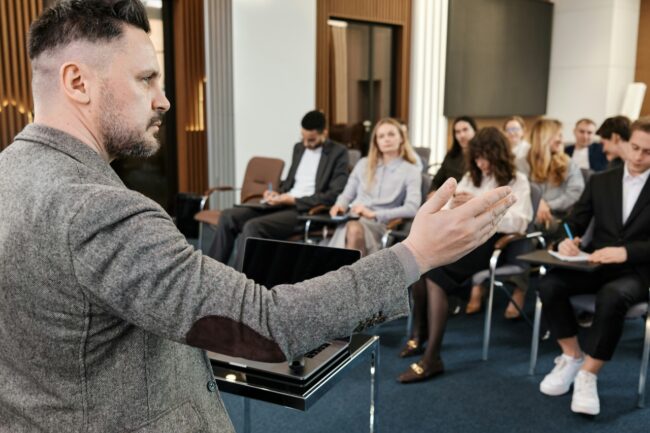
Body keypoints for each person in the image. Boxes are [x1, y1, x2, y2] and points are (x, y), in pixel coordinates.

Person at [0, 2, 516, 431]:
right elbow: (267, 322)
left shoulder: (9, 172)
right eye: (146, 78)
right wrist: (416, 253)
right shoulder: (100, 209)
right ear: (77, 81)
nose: (164, 98)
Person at [397, 127, 532, 383]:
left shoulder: (518, 181)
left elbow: (520, 223)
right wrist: (455, 205)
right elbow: (451, 208)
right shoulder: (473, 176)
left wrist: (479, 204)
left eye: (486, 158)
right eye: (477, 158)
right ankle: (418, 335)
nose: (481, 164)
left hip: (492, 244)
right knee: (419, 266)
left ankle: (432, 357)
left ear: (499, 155)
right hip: (465, 239)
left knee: (435, 275)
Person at [537, 117, 650, 416]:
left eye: (648, 152)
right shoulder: (601, 180)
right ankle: (572, 356)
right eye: (635, 148)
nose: (639, 157)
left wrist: (626, 252)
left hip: (638, 271)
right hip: (595, 264)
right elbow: (574, 222)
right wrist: (566, 240)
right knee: (549, 283)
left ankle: (589, 373)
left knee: (612, 296)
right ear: (626, 144)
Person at [207, 110, 349, 269]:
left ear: (325, 133)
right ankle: (212, 274)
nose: (306, 144)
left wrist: (294, 200)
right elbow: (290, 183)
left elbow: (332, 195)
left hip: (305, 210)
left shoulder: (338, 153)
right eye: (303, 138)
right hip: (284, 202)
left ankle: (240, 282)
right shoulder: (299, 148)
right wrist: (277, 193)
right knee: (228, 216)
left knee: (253, 227)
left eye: (311, 140)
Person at [328, 118, 422, 256]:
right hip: (353, 219)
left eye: (391, 134)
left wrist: (374, 214)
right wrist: (339, 205)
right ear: (376, 142)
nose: (386, 139)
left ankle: (346, 274)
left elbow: (412, 208)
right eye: (381, 136)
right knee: (352, 228)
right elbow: (347, 195)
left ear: (401, 138)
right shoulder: (363, 164)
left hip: (380, 224)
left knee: (353, 231)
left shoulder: (410, 170)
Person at [527, 118, 584, 234]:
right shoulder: (524, 162)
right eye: (557, 135)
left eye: (561, 135)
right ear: (543, 137)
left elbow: (575, 193)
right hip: (530, 212)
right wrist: (538, 205)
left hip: (557, 218)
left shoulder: (568, 163)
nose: (561, 140)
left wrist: (547, 205)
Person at [428, 116, 478, 193]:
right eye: (457, 132)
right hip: (449, 198)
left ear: (474, 130)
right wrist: (432, 193)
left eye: (465, 130)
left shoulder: (482, 157)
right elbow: (436, 181)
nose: (462, 135)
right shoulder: (450, 156)